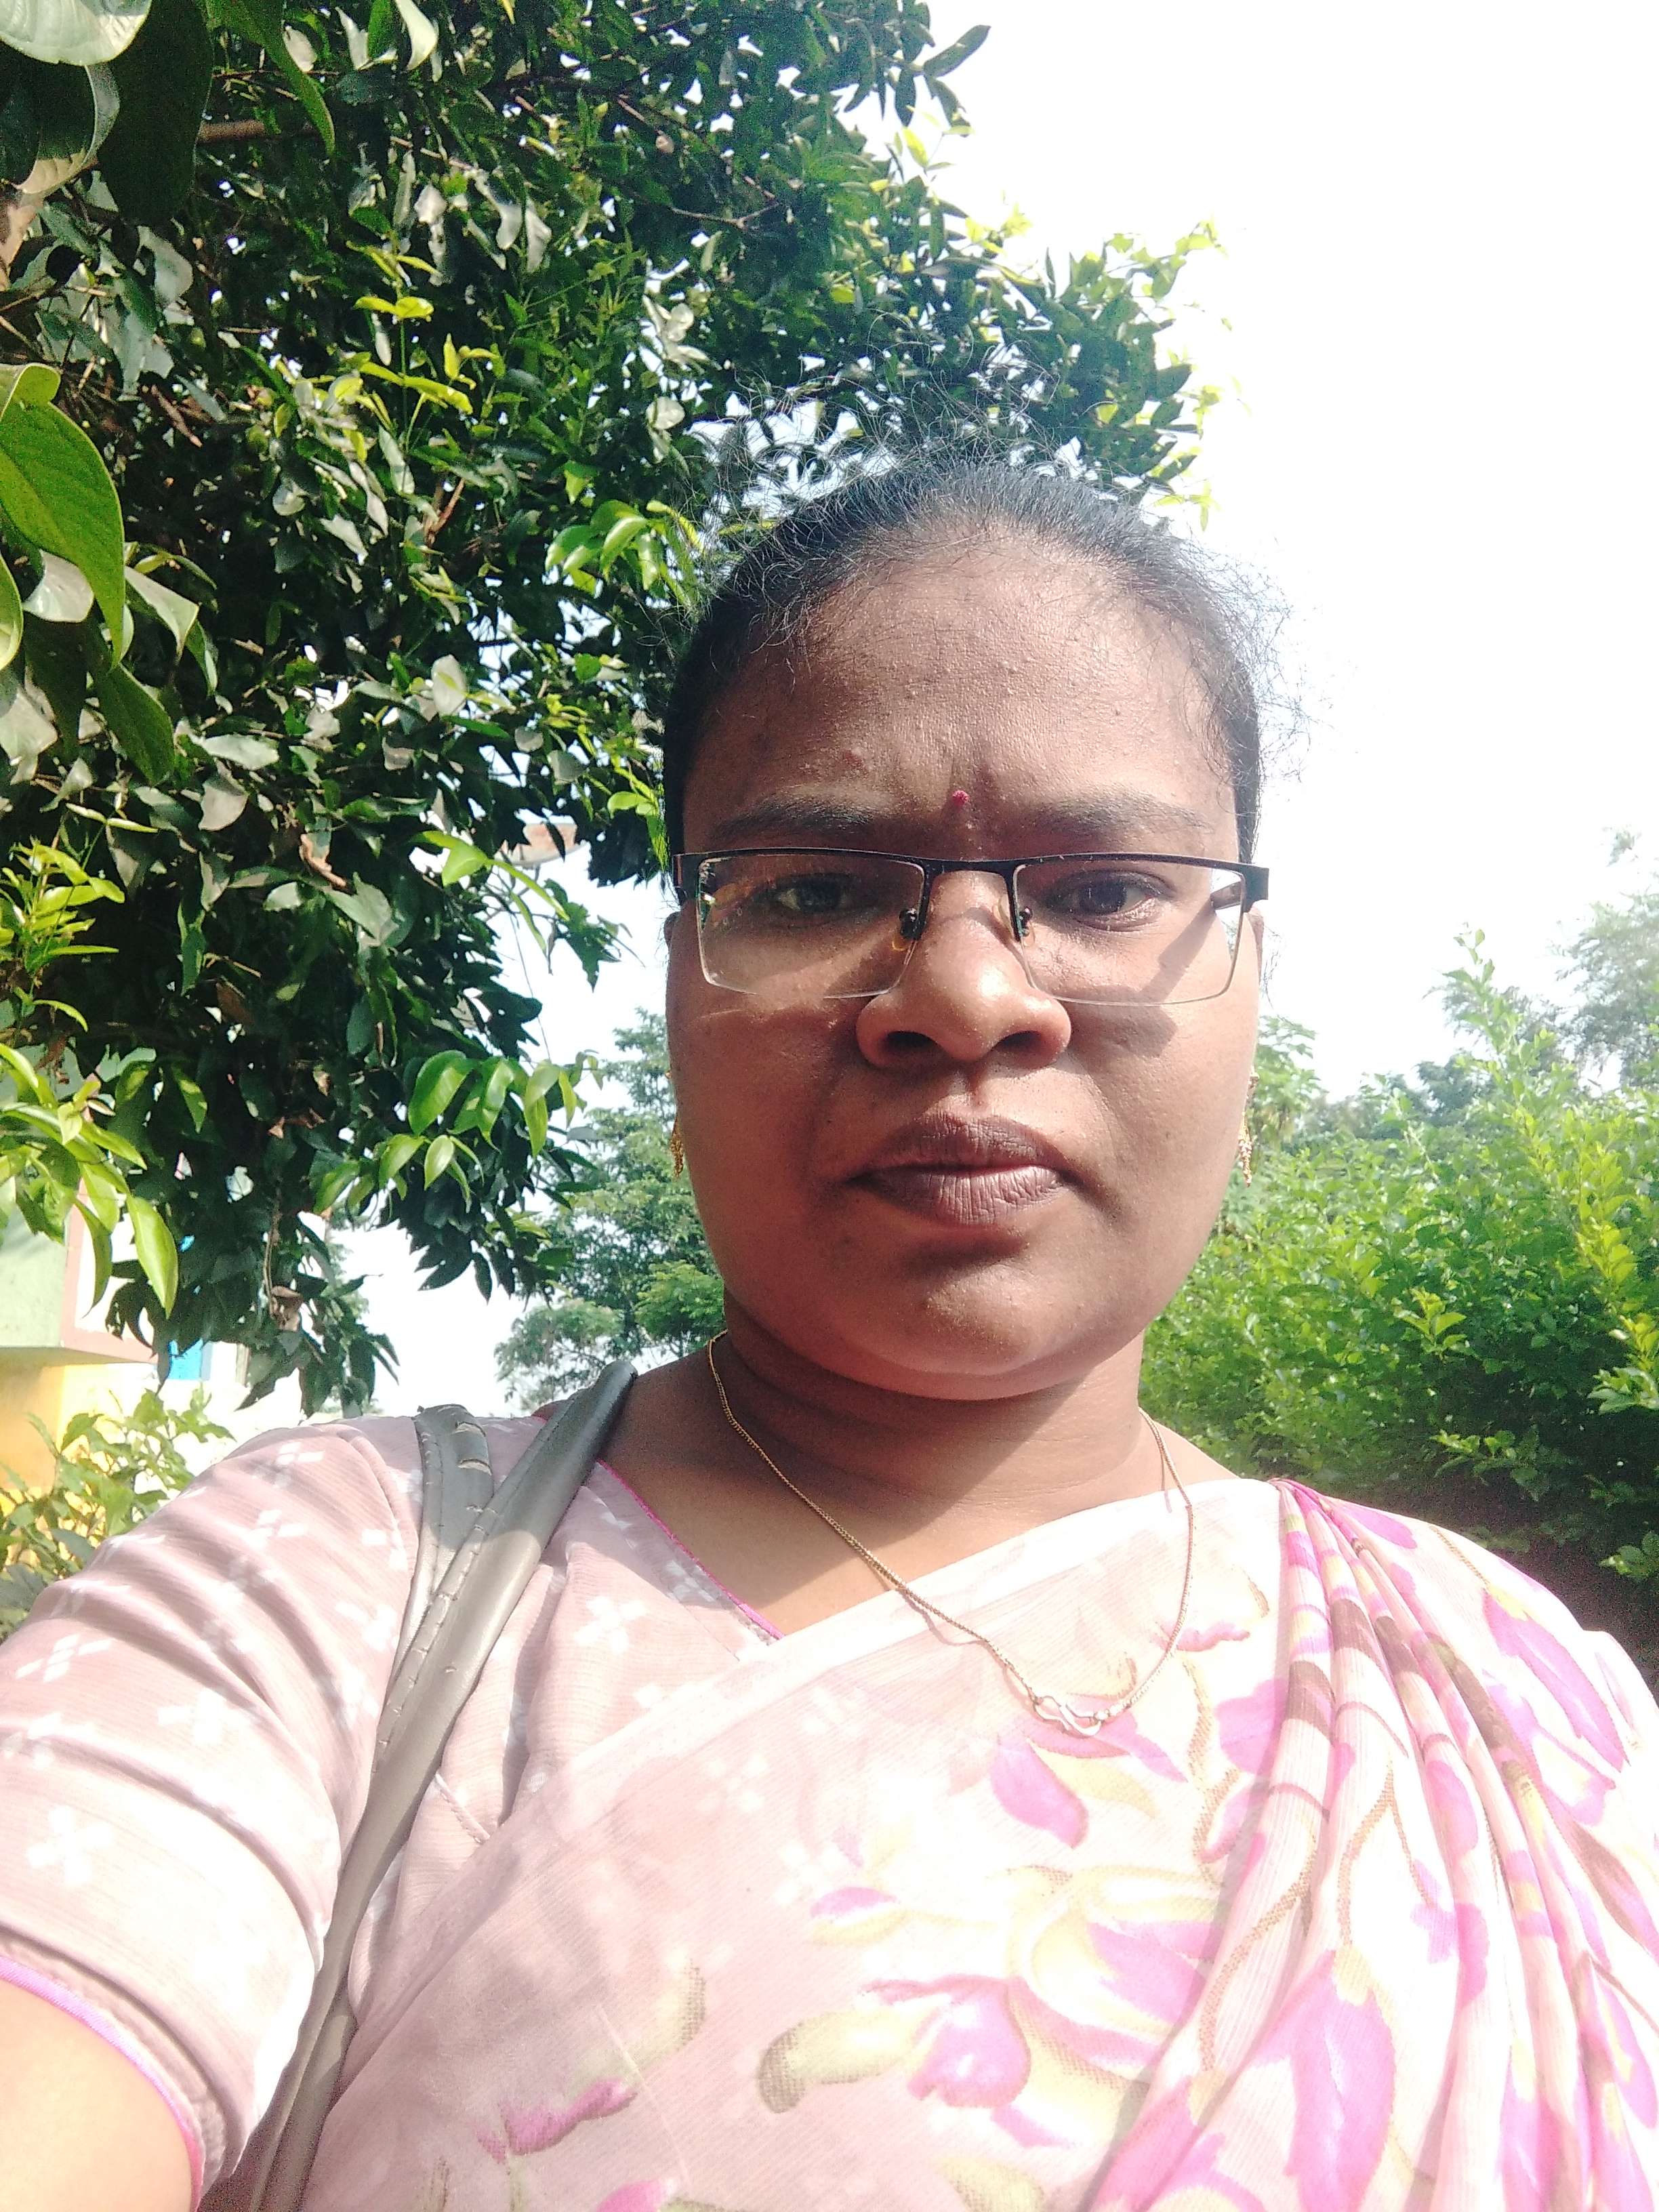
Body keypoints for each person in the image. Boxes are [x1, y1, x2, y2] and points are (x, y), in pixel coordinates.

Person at [1, 455, 1656, 2212]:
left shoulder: (1510, 1700)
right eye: (812, 892)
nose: (965, 995)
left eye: (1107, 890)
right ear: (676, 993)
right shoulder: (335, 1587)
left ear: (1252, 988)